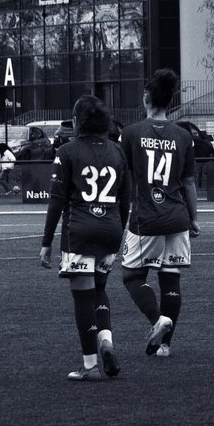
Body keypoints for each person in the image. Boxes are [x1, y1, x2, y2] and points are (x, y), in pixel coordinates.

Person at [39, 94, 129, 381]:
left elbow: (56, 200)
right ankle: (106, 340)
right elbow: (125, 200)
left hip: (81, 229)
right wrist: (119, 230)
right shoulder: (118, 152)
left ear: (77, 122)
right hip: (111, 229)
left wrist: (46, 242)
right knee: (100, 289)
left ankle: (90, 366)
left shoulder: (67, 152)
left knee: (82, 297)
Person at [119, 69, 200, 358]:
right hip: (177, 216)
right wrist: (193, 218)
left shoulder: (130, 133)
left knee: (131, 276)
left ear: (147, 97)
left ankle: (157, 320)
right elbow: (189, 182)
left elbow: (122, 177)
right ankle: (166, 346)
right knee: (171, 279)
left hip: (146, 217)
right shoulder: (183, 135)